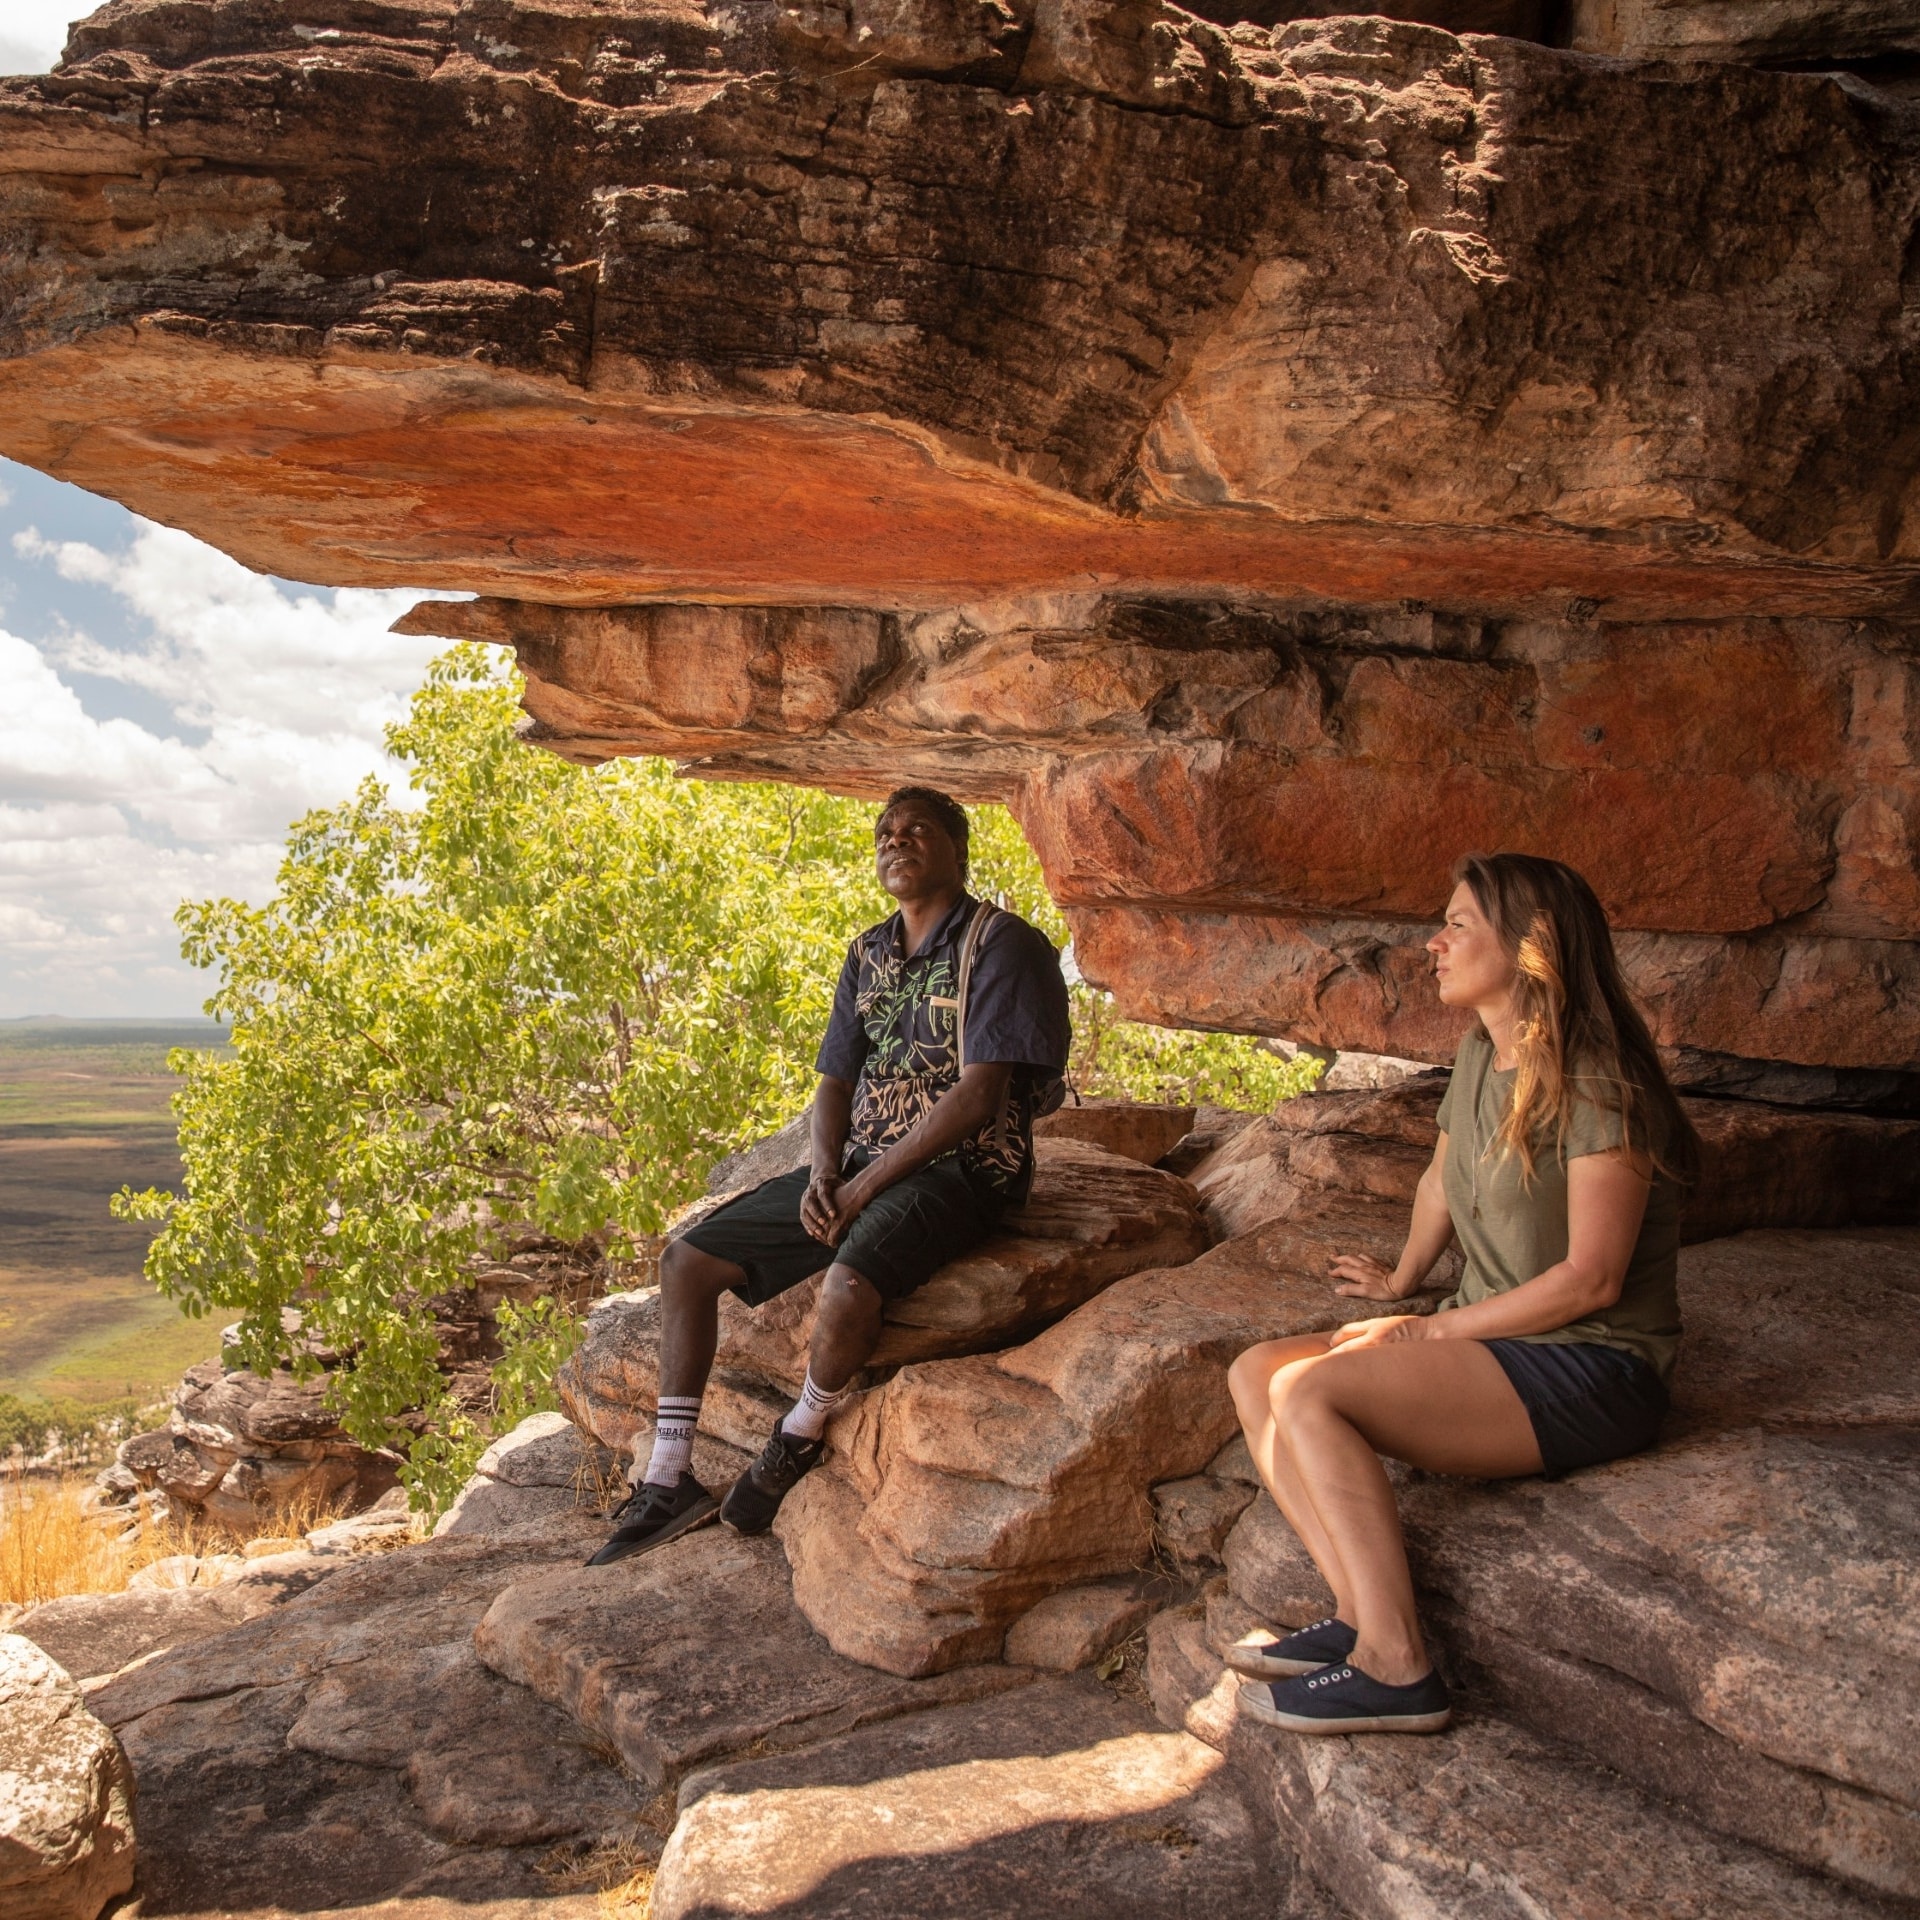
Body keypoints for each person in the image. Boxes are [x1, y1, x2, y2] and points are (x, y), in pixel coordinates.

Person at [1223, 853, 1698, 1734]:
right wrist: (1403, 1282)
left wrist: (1428, 1334)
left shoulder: (1600, 1081)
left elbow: (1590, 1279)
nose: (1433, 944)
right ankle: (1363, 1619)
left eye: (1459, 925)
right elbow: (1445, 1177)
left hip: (1593, 1367)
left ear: (1532, 947)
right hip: (1500, 1343)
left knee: (1313, 1388)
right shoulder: (1484, 1052)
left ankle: (1399, 1669)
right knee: (1258, 1371)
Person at [588, 785, 1071, 1565]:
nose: (896, 840)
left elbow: (981, 1095)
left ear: (958, 848)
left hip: (966, 1169)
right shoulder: (868, 953)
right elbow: (836, 1081)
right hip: (857, 1163)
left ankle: (799, 1434)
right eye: (885, 832)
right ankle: (670, 1476)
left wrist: (864, 1187)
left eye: (918, 830)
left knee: (848, 1284)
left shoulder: (1001, 944)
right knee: (686, 1262)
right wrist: (821, 1174)